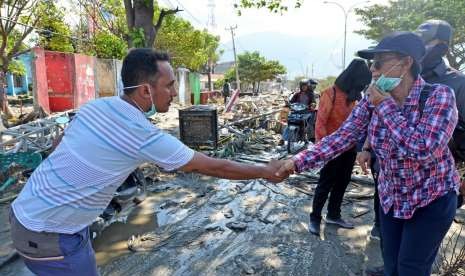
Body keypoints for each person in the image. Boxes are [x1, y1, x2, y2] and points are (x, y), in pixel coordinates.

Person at [9, 49, 286, 276]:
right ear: (145, 91)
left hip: (27, 213)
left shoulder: (96, 107)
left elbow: (59, 145)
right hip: (50, 234)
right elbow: (212, 166)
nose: (175, 93)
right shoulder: (141, 133)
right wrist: (264, 170)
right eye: (169, 85)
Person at [275, 32, 460, 276]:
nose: (372, 70)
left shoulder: (439, 97)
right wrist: (294, 163)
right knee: (392, 266)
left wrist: (385, 106)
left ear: (406, 63)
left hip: (430, 198)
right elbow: (343, 136)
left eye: (379, 62)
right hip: (392, 198)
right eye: (371, 64)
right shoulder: (370, 101)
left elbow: (422, 150)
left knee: (411, 269)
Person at [308, 59, 371, 235]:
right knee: (325, 184)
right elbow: (320, 123)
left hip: (349, 149)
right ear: (354, 79)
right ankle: (315, 218)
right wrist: (323, 150)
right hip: (331, 148)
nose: (362, 87)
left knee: (342, 183)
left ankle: (334, 215)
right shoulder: (330, 93)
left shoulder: (356, 97)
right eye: (361, 83)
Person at [417, 19, 465, 206]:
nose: (422, 48)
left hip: (438, 181)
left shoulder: (458, 83)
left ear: (443, 47)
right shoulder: (405, 78)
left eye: (427, 43)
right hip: (397, 180)